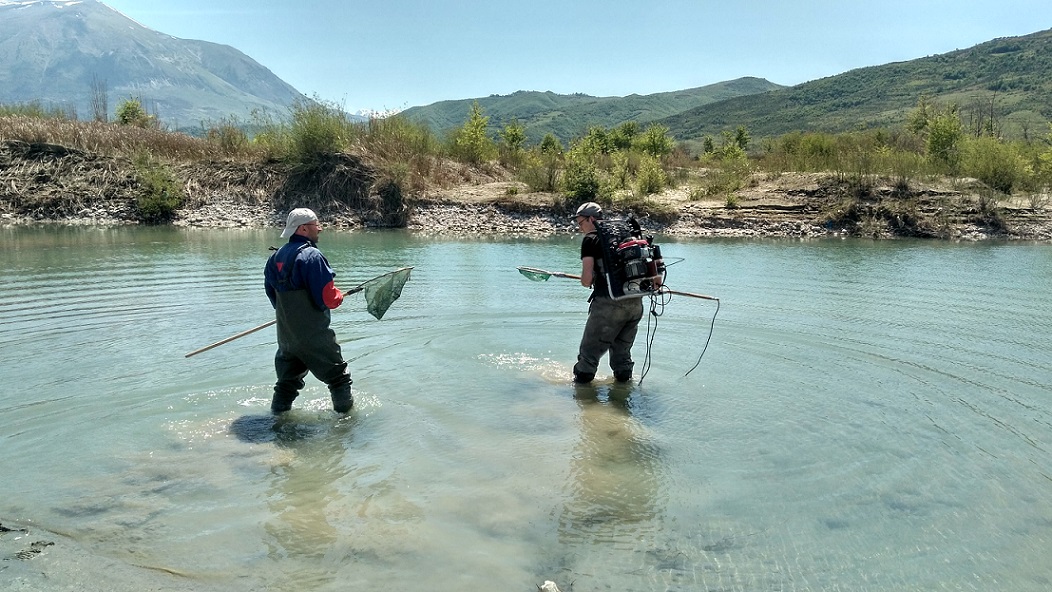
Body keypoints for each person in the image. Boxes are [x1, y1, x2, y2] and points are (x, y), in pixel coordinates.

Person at [264, 208, 353, 413]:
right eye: (316, 226)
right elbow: (328, 299)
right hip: (313, 336)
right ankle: (347, 426)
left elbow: (273, 297)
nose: (319, 229)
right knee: (339, 379)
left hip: (286, 338)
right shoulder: (312, 256)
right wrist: (338, 297)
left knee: (286, 384)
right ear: (303, 229)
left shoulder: (274, 258)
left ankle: (277, 421)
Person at [571, 202, 644, 384]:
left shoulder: (591, 239)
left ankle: (582, 398)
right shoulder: (628, 234)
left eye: (581, 223)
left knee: (588, 359)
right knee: (622, 358)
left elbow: (586, 280)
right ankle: (623, 397)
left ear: (592, 219)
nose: (580, 228)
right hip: (635, 303)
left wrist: (590, 278)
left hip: (608, 305)